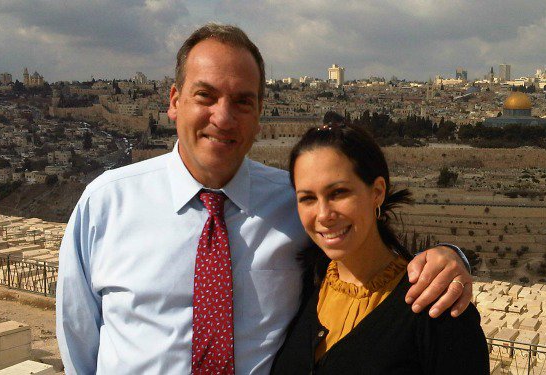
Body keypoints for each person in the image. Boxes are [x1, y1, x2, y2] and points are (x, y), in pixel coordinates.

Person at [56, 23, 474, 375]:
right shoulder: (106, 204)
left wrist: (453, 255)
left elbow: (366, 245)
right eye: (206, 96)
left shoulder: (295, 203)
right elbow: (78, 343)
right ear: (174, 101)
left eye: (242, 101)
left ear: (259, 114)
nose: (223, 117)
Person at [271, 115, 489, 374]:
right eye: (307, 198)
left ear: (377, 192)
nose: (323, 215)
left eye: (338, 193)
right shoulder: (302, 284)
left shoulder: (435, 307)